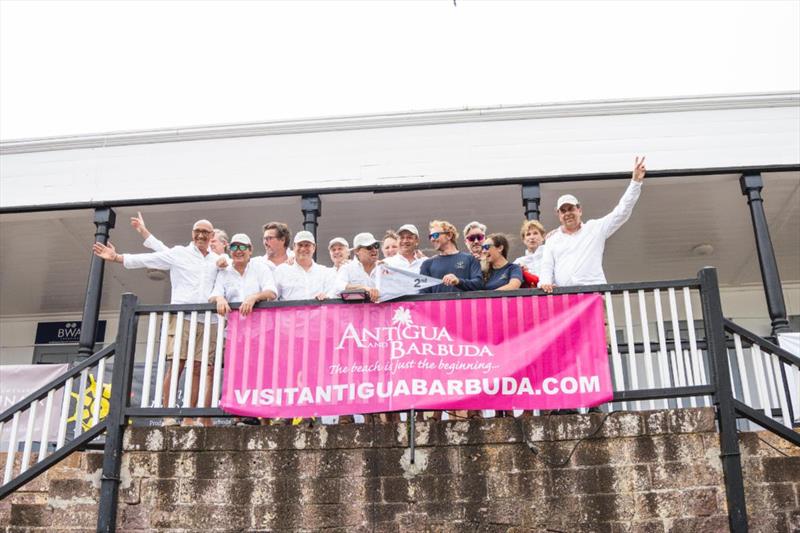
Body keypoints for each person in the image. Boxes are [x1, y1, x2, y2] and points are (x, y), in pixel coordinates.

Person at [92, 219, 220, 421]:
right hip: (182, 318)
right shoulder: (180, 253)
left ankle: (190, 417)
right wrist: (117, 257)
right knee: (176, 365)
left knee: (198, 368)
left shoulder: (217, 260)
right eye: (197, 231)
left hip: (209, 321)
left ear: (212, 235)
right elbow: (150, 258)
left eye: (205, 232)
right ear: (192, 232)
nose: (201, 235)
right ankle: (168, 415)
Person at [540, 156, 647, 293]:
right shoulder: (552, 239)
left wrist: (636, 182)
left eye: (571, 209)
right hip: (565, 297)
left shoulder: (595, 228)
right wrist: (545, 282)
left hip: (594, 294)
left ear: (579, 210)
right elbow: (547, 266)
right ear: (559, 215)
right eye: (563, 210)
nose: (567, 213)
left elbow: (621, 212)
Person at [208, 233, 277, 317]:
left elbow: (272, 293)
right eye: (234, 247)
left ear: (250, 250)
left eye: (242, 247)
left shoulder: (260, 268)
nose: (238, 251)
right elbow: (213, 296)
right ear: (230, 251)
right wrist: (219, 298)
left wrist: (254, 297)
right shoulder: (224, 271)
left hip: (258, 325)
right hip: (234, 325)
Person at [420, 220, 483, 293]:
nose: (432, 239)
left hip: (463, 304)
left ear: (449, 235)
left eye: (435, 235)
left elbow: (479, 284)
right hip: (438, 304)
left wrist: (458, 282)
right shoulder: (427, 264)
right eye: (430, 236)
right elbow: (423, 294)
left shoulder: (470, 259)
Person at [130, 211, 230, 256]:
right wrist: (144, 231)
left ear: (224, 243)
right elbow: (163, 250)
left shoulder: (233, 266)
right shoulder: (191, 258)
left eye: (213, 241)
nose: (209, 244)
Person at [274, 231, 337, 301]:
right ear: (294, 247)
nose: (303, 249)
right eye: (300, 245)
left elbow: (333, 294)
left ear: (314, 247)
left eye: (307, 245)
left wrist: (327, 296)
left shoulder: (325, 273)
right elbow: (272, 298)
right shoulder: (281, 271)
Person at [336, 232, 381, 302]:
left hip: (382, 311)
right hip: (356, 312)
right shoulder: (347, 268)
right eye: (369, 247)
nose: (374, 249)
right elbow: (338, 287)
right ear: (357, 251)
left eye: (376, 245)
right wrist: (363, 288)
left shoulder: (384, 267)